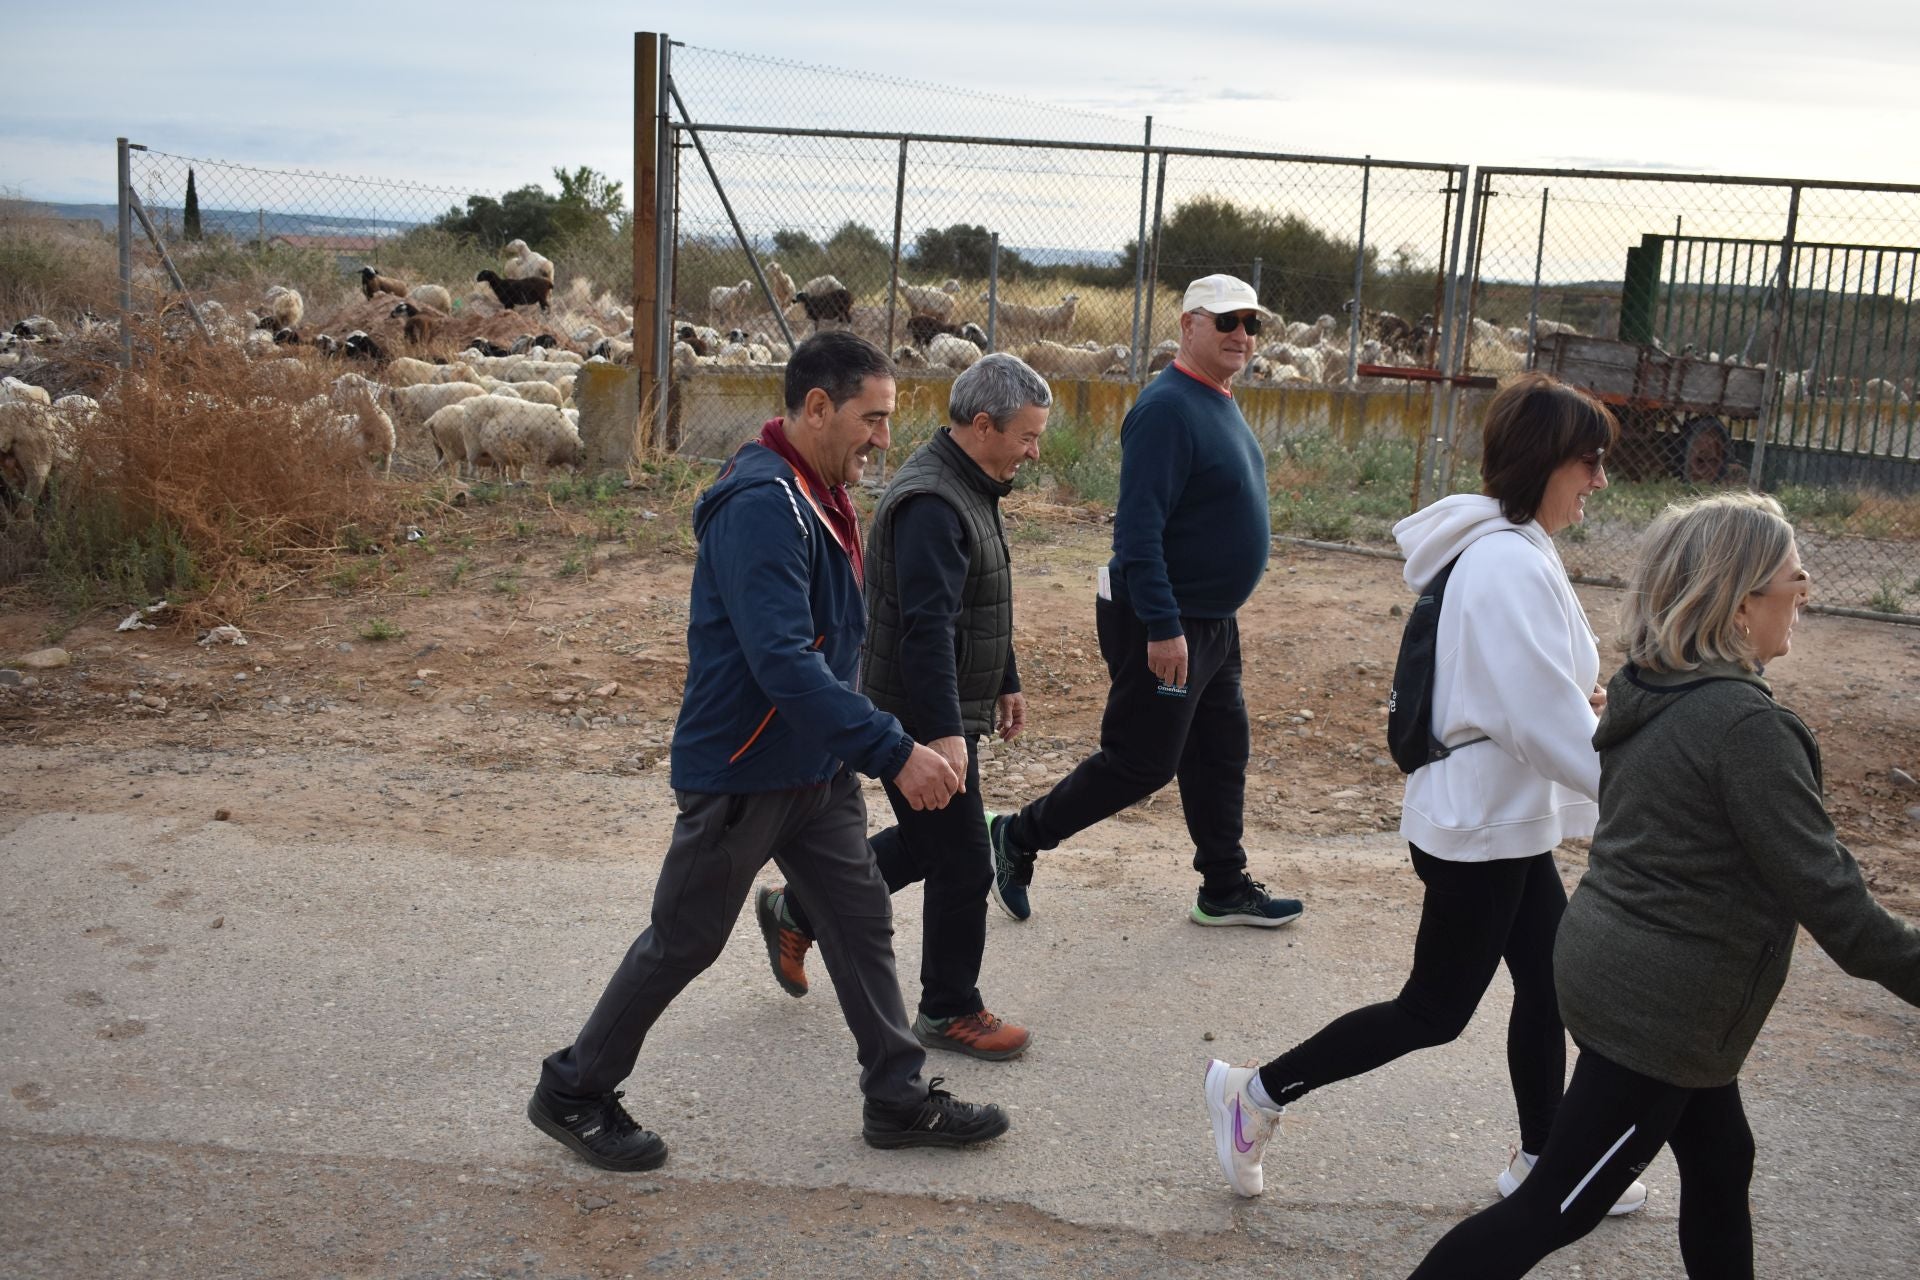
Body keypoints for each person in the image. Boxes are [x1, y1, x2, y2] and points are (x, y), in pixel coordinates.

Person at [1406, 492, 1920, 1279]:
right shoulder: (1746, 730)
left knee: (1722, 1162)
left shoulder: (1657, 683)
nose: (1808, 586)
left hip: (1615, 967)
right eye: (1793, 572)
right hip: (1662, 1010)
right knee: (1552, 1208)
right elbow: (1838, 908)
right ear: (1742, 603)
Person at [527, 332, 1009, 1171]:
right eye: (873, 418)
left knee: (860, 924)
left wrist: (870, 740)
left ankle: (896, 1097)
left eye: (889, 420)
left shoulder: (816, 487)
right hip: (745, 772)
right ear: (817, 407)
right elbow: (782, 660)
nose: (884, 438)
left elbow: (834, 644)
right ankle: (573, 1088)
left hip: (812, 767)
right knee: (684, 940)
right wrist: (892, 751)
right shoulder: (761, 503)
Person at [1204, 373, 1647, 1211]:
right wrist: (1637, 790)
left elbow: (1534, 692)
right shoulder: (1507, 562)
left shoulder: (1517, 548)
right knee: (1434, 1012)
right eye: (1589, 462)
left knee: (1548, 984)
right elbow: (1535, 716)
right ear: (1546, 461)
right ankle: (1253, 1094)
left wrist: (1576, 705)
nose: (1598, 480)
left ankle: (1542, 1160)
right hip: (1478, 823)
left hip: (1503, 817)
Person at [756, 353, 1051, 1061]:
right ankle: (948, 1010)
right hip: (920, 705)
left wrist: (1003, 676)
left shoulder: (972, 481)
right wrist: (945, 733)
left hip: (941, 699)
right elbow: (927, 630)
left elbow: (977, 599)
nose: (1034, 452)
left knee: (930, 844)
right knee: (963, 861)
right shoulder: (932, 504)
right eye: (1027, 437)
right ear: (984, 425)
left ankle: (796, 910)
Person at [984, 274, 1303, 928]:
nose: (1242, 334)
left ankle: (1224, 885)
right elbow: (1136, 532)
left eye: (1252, 324)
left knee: (1220, 750)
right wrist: (1162, 625)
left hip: (1210, 620)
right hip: (1164, 619)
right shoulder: (1167, 409)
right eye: (1227, 322)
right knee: (1142, 762)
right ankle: (1018, 836)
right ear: (1189, 326)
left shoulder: (1216, 398)